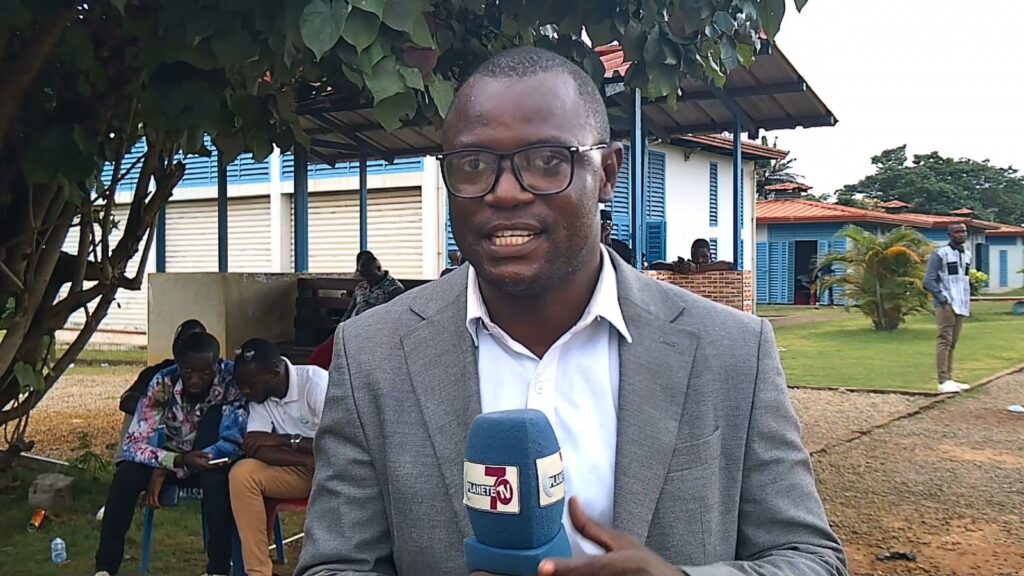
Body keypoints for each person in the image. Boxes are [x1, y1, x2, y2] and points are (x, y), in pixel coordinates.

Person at [296, 47, 846, 576]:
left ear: (607, 173)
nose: (505, 193)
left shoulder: (732, 350)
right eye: (473, 164)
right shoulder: (373, 354)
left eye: (546, 161)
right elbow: (336, 564)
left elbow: (808, 557)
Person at [94, 332, 246, 576]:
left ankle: (218, 569)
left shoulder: (231, 380)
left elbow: (233, 441)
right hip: (173, 458)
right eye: (188, 371)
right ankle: (105, 567)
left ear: (216, 363)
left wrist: (176, 466)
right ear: (178, 364)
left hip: (212, 459)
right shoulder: (163, 382)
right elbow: (133, 444)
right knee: (126, 476)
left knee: (216, 480)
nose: (195, 379)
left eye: (204, 372)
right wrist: (171, 461)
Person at [230, 338, 327, 576]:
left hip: (335, 470)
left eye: (250, 385)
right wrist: (304, 458)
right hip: (301, 467)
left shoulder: (315, 383)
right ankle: (258, 571)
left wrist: (284, 440)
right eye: (241, 385)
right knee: (242, 474)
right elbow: (256, 447)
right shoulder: (260, 397)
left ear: (274, 372)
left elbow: (338, 443)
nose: (245, 391)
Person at [114, 319, 207, 463]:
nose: (184, 348)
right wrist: (162, 408)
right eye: (180, 342)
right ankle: (127, 462)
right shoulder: (158, 372)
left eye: (192, 343)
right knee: (139, 410)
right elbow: (126, 401)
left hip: (194, 440)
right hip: (160, 435)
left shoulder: (215, 377)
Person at [307, 251, 407, 369]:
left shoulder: (394, 290)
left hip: (372, 334)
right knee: (319, 356)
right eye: (363, 276)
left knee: (349, 361)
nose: (366, 280)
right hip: (349, 329)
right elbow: (350, 310)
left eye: (369, 276)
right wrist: (340, 327)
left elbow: (396, 319)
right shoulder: (361, 287)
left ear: (378, 269)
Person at [924, 223, 973, 394]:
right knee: (944, 340)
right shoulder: (940, 253)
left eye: (963, 231)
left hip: (961, 303)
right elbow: (928, 280)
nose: (961, 234)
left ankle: (950, 378)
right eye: (957, 232)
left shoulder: (967, 254)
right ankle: (943, 380)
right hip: (946, 303)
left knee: (953, 342)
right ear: (949, 234)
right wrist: (942, 298)